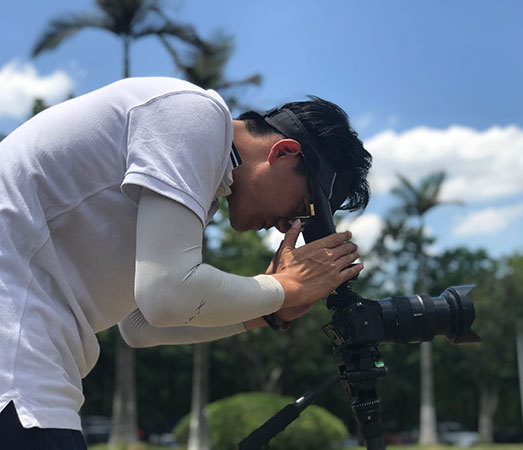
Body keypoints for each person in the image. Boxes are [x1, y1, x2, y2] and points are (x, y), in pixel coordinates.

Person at [0, 76, 372, 449]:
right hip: (17, 359)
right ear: (284, 152)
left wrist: (270, 310)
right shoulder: (194, 114)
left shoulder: (199, 181)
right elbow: (166, 295)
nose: (287, 226)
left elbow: (141, 325)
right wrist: (284, 288)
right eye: (303, 206)